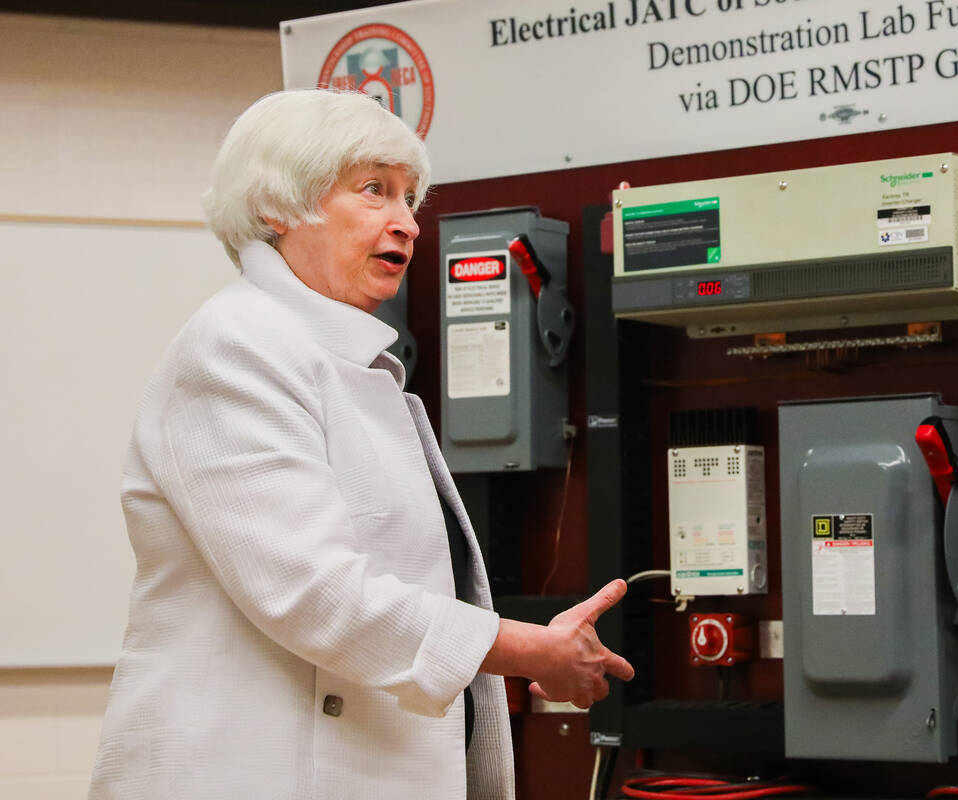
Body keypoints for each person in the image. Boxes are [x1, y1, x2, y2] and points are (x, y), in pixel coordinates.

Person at [88, 89, 634, 800]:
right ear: (276, 207)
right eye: (374, 191)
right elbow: (316, 593)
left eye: (411, 199)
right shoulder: (235, 348)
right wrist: (530, 650)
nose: (406, 223)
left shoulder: (345, 361)